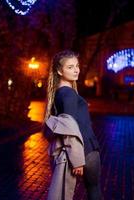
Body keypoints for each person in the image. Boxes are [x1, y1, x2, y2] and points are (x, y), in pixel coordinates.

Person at [43, 50, 102, 200]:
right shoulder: (68, 94)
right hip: (85, 150)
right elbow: (69, 128)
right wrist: (77, 161)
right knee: (93, 190)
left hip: (80, 150)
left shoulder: (60, 93)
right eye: (70, 67)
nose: (76, 70)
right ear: (59, 70)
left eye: (77, 65)